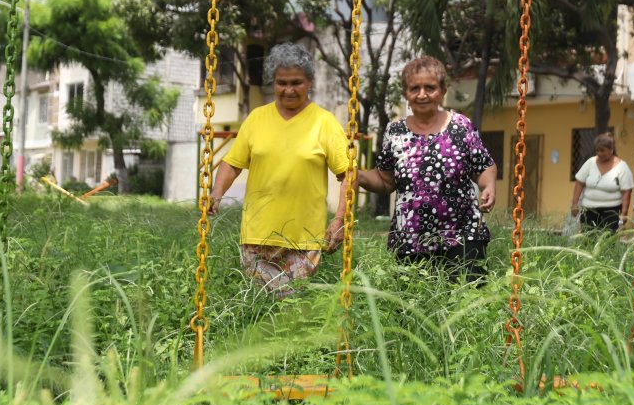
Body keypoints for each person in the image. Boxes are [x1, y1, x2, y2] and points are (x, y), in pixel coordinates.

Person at [208, 42, 352, 297]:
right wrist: (216, 193)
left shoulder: (324, 123)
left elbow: (348, 175)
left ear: (309, 82)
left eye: (296, 82)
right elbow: (232, 164)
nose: (288, 90)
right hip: (257, 236)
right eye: (281, 83)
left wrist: (340, 220)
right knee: (259, 308)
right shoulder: (256, 119)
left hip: (303, 238)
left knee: (289, 308)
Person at [356, 56, 496, 281]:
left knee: (466, 301)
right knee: (414, 309)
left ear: (442, 91)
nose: (422, 94)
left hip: (462, 234)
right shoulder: (395, 132)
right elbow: (385, 180)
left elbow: (483, 166)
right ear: (406, 94)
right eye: (415, 88)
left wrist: (488, 185)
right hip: (411, 238)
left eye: (429, 88)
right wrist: (359, 176)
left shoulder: (461, 126)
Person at [570, 133, 633, 233]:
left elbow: (627, 191)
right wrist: (574, 204)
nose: (599, 153)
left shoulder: (622, 167)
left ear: (611, 149)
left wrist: (624, 214)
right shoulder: (590, 162)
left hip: (611, 211)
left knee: (607, 239)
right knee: (588, 238)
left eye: (602, 150)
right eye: (597, 150)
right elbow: (579, 182)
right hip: (589, 210)